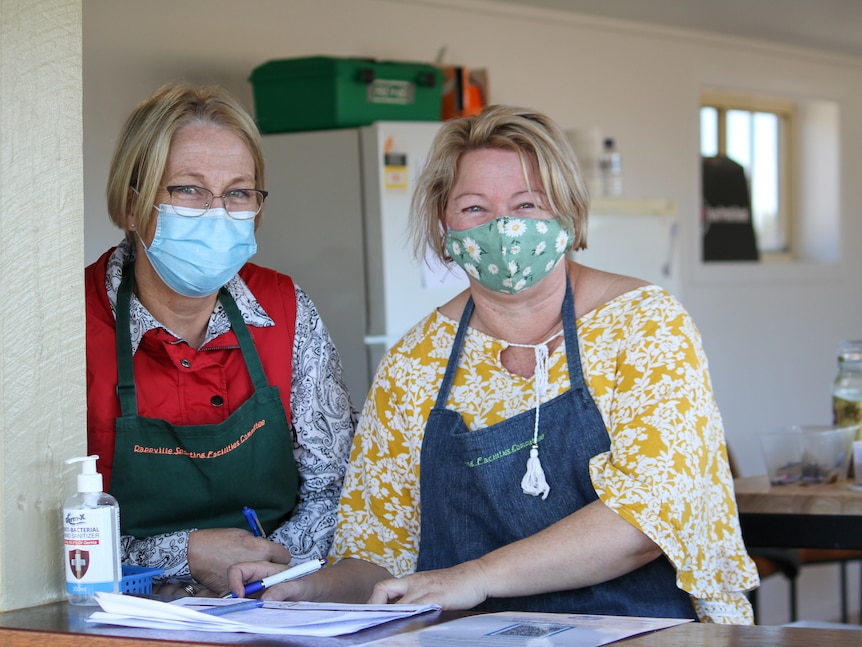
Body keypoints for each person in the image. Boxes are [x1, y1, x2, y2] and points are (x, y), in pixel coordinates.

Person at [227, 105, 759, 623]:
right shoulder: (415, 364)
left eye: (527, 205)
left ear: (569, 212)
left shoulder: (644, 327)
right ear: (445, 224)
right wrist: (311, 587)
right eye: (475, 208)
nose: (503, 228)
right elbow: (379, 554)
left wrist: (478, 575)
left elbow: (648, 522)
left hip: (643, 630)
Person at [86, 82, 356, 596]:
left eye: (237, 192)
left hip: (274, 606)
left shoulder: (285, 310)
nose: (217, 211)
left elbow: (335, 487)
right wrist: (183, 555)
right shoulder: (67, 323)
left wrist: (267, 570)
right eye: (188, 189)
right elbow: (32, 529)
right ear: (130, 204)